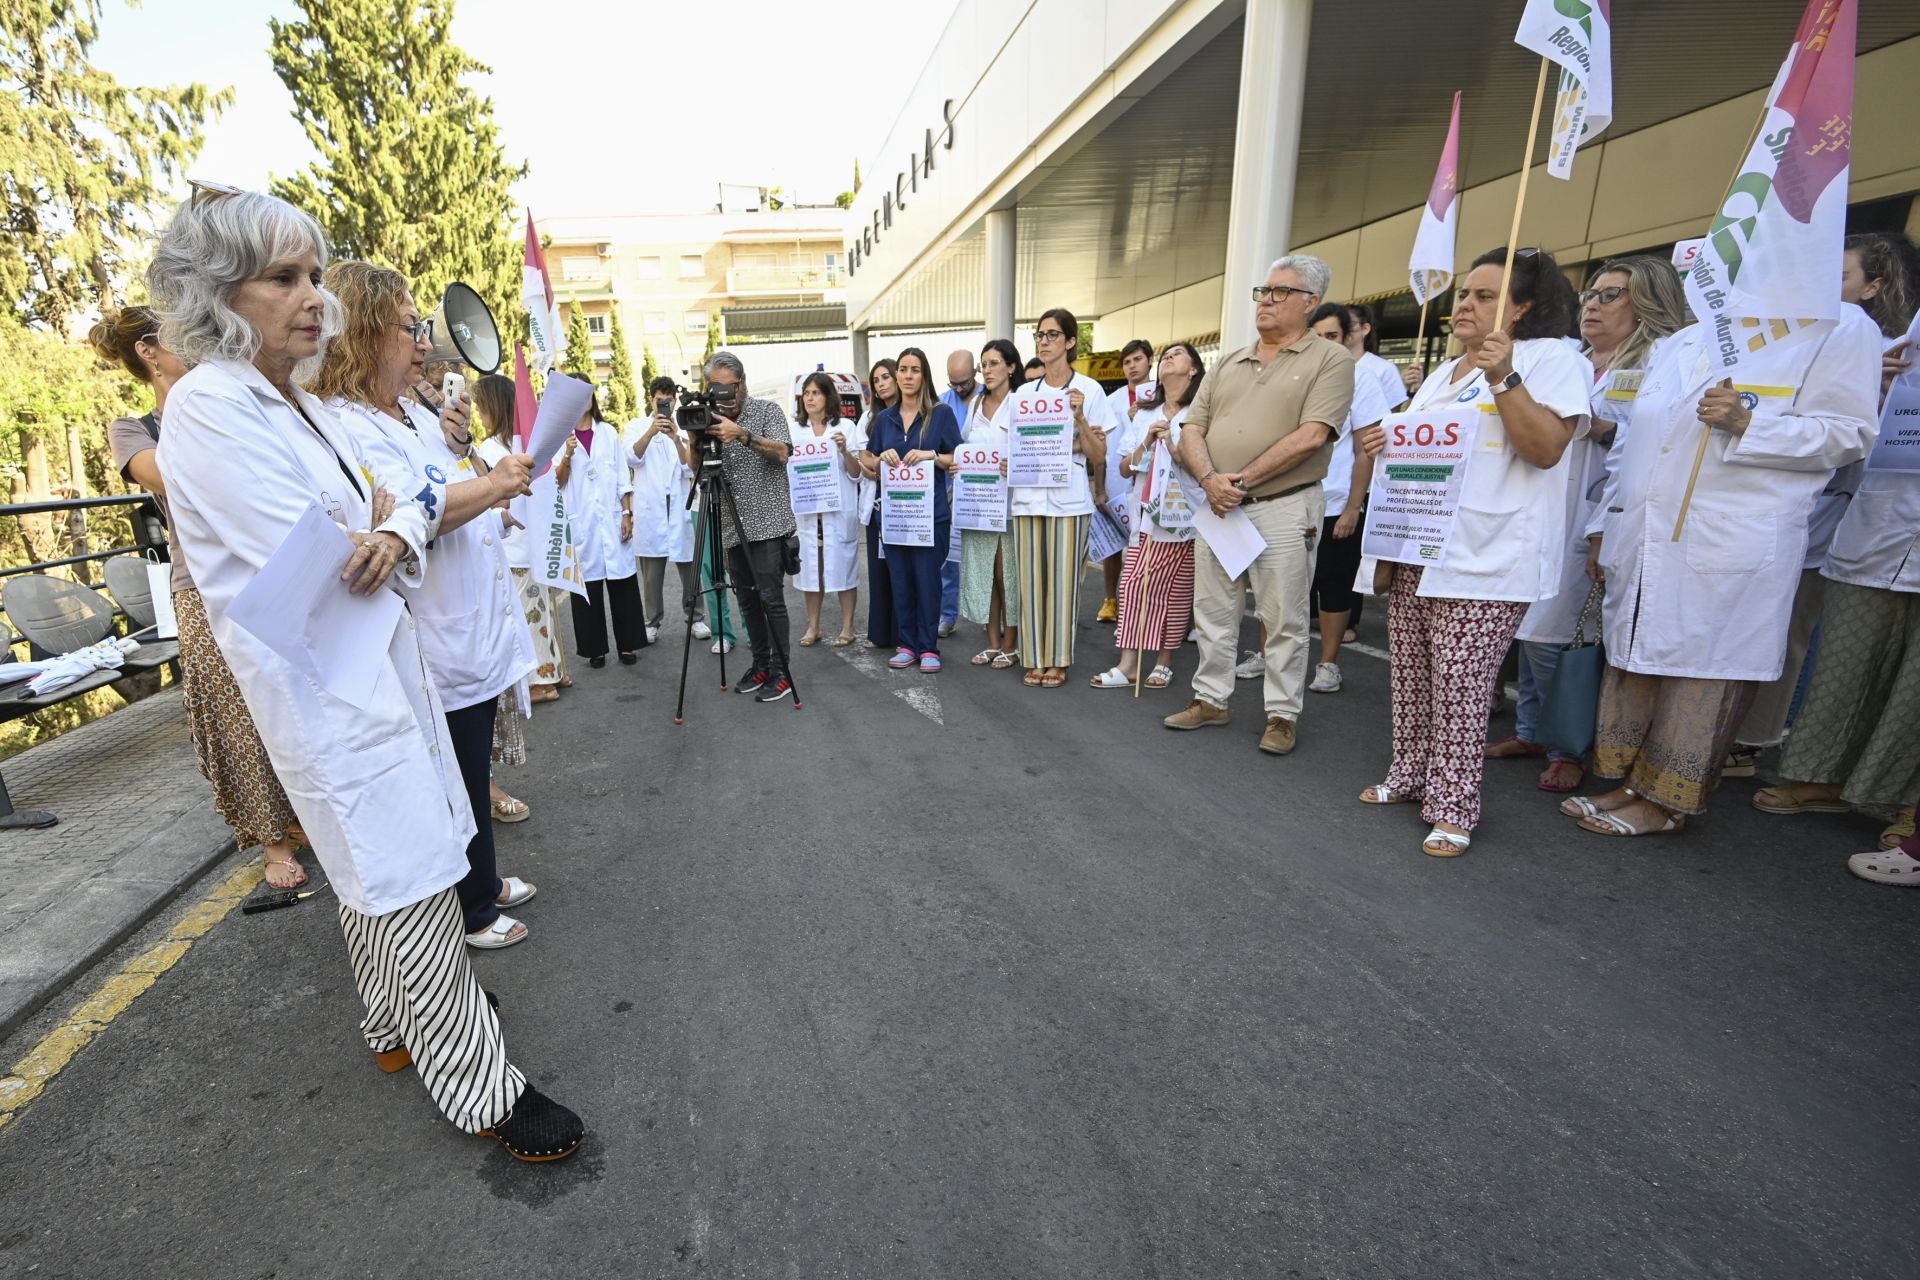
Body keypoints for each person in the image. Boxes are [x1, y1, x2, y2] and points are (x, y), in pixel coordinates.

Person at [148, 184, 581, 1161]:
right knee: (410, 877)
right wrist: (382, 524)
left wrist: (391, 521)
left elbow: (405, 504)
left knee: (370, 866)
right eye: (283, 277)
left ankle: (390, 1025)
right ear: (220, 291)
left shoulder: (291, 402)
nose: (313, 296)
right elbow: (325, 552)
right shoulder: (212, 409)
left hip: (374, 672)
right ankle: (484, 1086)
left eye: (314, 274)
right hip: (328, 685)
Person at [1564, 258, 1881, 838]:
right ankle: (1633, 782)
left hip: (1729, 541)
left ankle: (1667, 803)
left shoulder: (1835, 326)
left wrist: (1748, 423)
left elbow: (1850, 433)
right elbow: (1635, 442)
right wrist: (1606, 522)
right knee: (1639, 661)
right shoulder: (1684, 339)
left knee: (1700, 672)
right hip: (1646, 537)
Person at [313, 260, 541, 950]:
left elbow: (448, 487)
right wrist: (493, 485)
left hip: (468, 618)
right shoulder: (346, 426)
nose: (423, 340)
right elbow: (419, 512)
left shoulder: (413, 414)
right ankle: (472, 909)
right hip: (430, 630)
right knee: (456, 774)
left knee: (473, 764)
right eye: (410, 326)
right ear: (366, 331)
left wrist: (477, 465)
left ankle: (486, 879)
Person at [1356, 247, 1590, 856]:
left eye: (1486, 296)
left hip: (1484, 557)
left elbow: (1544, 448)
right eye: (1465, 294)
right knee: (1410, 675)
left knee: (1462, 686)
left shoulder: (1553, 358)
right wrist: (1389, 437)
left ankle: (1454, 805)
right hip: (1418, 547)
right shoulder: (1443, 371)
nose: (1465, 304)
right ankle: (1410, 773)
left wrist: (1504, 376)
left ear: (1525, 307)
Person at [94, 306, 310, 891]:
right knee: (234, 715)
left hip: (268, 566)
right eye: (176, 334)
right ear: (147, 350)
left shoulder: (229, 399)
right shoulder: (134, 429)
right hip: (199, 583)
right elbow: (171, 475)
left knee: (292, 695)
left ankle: (304, 812)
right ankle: (271, 842)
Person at [1488, 256, 1688, 793]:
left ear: (1648, 303)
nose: (1592, 306)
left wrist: (1595, 428)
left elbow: (1654, 448)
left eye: (1611, 295)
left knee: (1567, 635)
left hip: (1598, 514)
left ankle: (1569, 746)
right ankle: (1531, 729)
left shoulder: (1658, 366)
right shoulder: (1565, 358)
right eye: (1591, 295)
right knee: (1530, 628)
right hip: (1543, 509)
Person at [1750, 233, 1920, 855]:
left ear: (1876, 286)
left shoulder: (1870, 336)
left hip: (1874, 528)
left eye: (1841, 275)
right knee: (1845, 667)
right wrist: (1873, 390)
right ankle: (1819, 775)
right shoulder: (1871, 344)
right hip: (1874, 530)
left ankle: (1905, 805)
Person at [1164, 256, 1354, 756]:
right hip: (1220, 505)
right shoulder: (1230, 360)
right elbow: (1192, 428)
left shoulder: (1330, 361)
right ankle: (1210, 699)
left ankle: (1281, 714)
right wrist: (1210, 480)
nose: (1266, 299)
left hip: (1283, 506)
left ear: (1310, 303)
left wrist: (1239, 482)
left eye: (1281, 292)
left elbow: (1313, 435)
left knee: (1284, 616)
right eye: (1263, 290)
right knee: (1213, 609)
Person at [1090, 343, 1203, 690]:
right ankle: (1129, 663)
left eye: (1178, 354)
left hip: (1184, 516)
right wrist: (1147, 443)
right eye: (1166, 355)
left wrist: (1172, 445)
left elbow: (1202, 465)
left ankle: (1164, 661)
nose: (1169, 357)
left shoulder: (1200, 412)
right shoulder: (1142, 414)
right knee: (1134, 584)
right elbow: (1124, 467)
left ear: (1194, 369)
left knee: (1175, 589)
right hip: (1145, 515)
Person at [1011, 307, 1115, 688]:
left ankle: (1058, 659)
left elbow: (1099, 455)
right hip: (1028, 498)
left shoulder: (1089, 389)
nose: (1045, 341)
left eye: (1053, 335)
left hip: (1070, 500)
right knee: (1031, 582)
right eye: (1040, 334)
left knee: (1063, 582)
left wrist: (1080, 419)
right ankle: (1034, 657)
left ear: (1070, 342)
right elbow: (1016, 446)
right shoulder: (1024, 393)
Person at [1303, 304, 1390, 695]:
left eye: (1332, 336)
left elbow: (1365, 450)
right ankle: (1267, 655)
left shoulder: (1363, 381)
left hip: (1337, 504)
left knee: (1334, 587)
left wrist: (1354, 507)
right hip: (1291, 503)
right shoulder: (1296, 376)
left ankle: (1327, 663)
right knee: (1282, 588)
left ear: (1349, 337)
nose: (1324, 345)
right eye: (1317, 337)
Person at [701, 350, 797, 702]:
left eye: (730, 388)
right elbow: (695, 467)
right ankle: (760, 664)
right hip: (730, 524)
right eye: (717, 388)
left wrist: (741, 434)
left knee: (771, 600)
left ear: (742, 385)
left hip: (768, 525)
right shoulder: (708, 418)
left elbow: (783, 453)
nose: (724, 395)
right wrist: (699, 437)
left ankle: (781, 671)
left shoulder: (767, 411)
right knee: (747, 601)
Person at [471, 374, 567, 707]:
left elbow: (492, 498)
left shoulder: (489, 450)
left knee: (528, 614)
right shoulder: (524, 443)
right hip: (533, 539)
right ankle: (554, 670)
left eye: (481, 407)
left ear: (492, 408)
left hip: (512, 543)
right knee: (540, 611)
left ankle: (542, 680)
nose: (478, 415)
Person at [867, 347, 964, 671]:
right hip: (894, 516)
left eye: (915, 370)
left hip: (931, 516)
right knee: (900, 580)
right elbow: (867, 457)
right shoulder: (885, 418)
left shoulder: (940, 414)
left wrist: (931, 456)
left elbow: (957, 457)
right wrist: (881, 458)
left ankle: (929, 647)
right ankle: (906, 644)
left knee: (927, 580)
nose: (908, 376)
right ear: (897, 375)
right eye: (903, 369)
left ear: (924, 375)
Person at [556, 392, 645, 668]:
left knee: (623, 583)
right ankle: (594, 649)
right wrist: (568, 454)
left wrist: (628, 513)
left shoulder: (607, 433)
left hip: (613, 517)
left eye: (586, 394)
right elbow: (557, 482)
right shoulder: (561, 437)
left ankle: (627, 644)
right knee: (587, 587)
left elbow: (622, 476)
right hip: (582, 522)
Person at [625, 376, 706, 645]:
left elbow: (689, 466)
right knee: (651, 572)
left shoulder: (684, 426)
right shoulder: (636, 425)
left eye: (669, 402)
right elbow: (631, 458)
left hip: (680, 503)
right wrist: (651, 431)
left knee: (689, 565)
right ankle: (651, 621)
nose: (665, 406)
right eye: (660, 401)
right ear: (651, 400)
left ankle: (695, 617)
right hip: (652, 507)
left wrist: (676, 439)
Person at [959, 338, 1021, 668]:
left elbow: (1036, 449)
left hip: (1010, 505)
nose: (988, 369)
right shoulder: (974, 405)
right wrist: (959, 464)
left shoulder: (1021, 402)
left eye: (995, 362)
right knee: (985, 575)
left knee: (1005, 575)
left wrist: (1018, 465)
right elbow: (966, 446)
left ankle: (1011, 643)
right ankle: (993, 641)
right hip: (979, 503)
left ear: (1011, 367)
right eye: (984, 364)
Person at [791, 371, 864, 646]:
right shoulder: (795, 430)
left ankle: (847, 627)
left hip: (837, 513)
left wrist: (845, 451)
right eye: (806, 393)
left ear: (827, 396)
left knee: (844, 570)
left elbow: (857, 474)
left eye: (816, 393)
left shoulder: (845, 427)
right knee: (811, 571)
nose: (810, 398)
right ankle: (814, 627)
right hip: (810, 515)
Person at [1097, 339, 1157, 625]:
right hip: (1119, 478)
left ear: (1149, 361)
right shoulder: (1113, 401)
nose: (1132, 366)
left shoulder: (1163, 395)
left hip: (1152, 481)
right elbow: (1104, 448)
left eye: (1137, 360)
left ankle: (1146, 604)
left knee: (1149, 545)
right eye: (1127, 362)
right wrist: (1100, 488)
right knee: (1113, 544)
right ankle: (1111, 599)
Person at [858, 358, 900, 651]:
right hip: (877, 503)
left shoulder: (914, 413)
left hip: (909, 504)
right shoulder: (868, 417)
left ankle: (905, 634)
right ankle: (881, 632)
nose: (882, 383)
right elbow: (866, 462)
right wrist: (878, 467)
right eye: (876, 380)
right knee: (878, 567)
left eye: (886, 377)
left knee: (903, 569)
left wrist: (880, 465)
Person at [935, 350, 977, 637]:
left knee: (986, 555)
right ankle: (947, 615)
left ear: (976, 373)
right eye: (954, 384)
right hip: (951, 492)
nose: (959, 389)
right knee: (949, 558)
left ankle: (990, 617)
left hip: (985, 491)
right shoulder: (941, 404)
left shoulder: (990, 397)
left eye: (964, 382)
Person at [1345, 304, 1412, 415]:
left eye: (1350, 324)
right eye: (1341, 325)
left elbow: (1392, 414)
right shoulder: (1327, 366)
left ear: (1365, 329)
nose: (1345, 329)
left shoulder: (1385, 369)